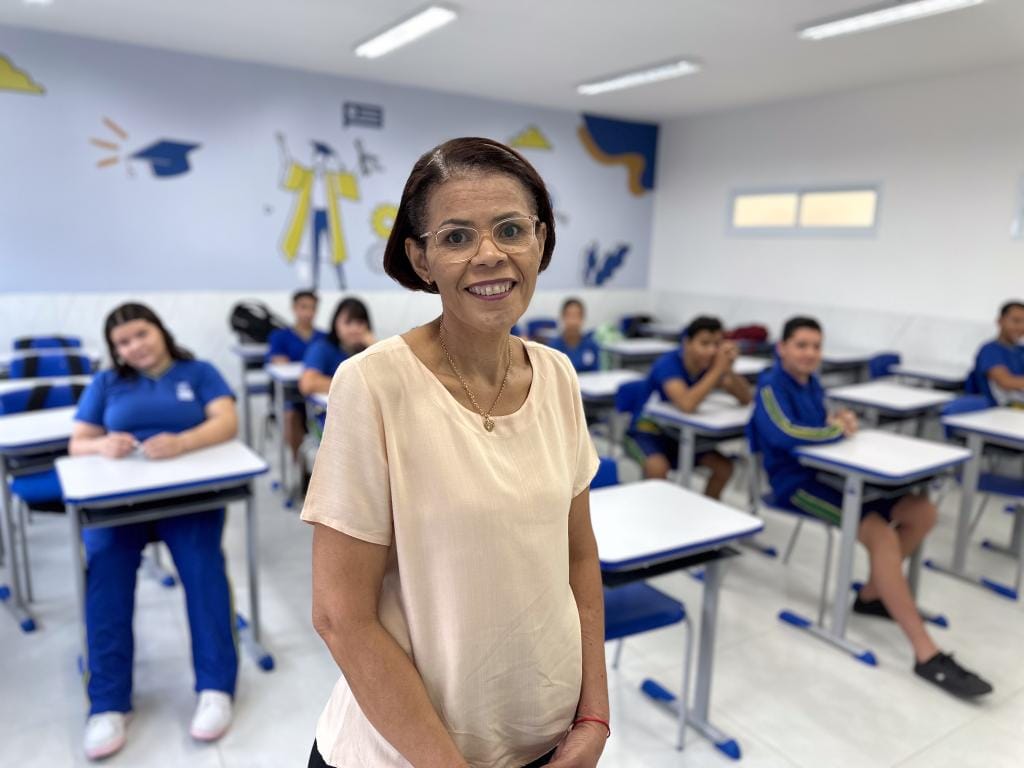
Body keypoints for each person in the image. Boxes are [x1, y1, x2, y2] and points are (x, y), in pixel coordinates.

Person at [302, 137, 608, 768]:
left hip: (542, 741)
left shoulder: (558, 377)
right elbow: (340, 617)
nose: (490, 255)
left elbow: (578, 559)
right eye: (457, 236)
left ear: (541, 242)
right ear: (421, 258)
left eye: (510, 229)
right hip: (411, 753)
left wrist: (594, 716)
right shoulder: (372, 384)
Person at [751, 316, 992, 699]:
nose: (810, 353)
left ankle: (870, 596)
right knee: (880, 533)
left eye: (816, 345)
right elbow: (783, 433)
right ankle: (926, 652)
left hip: (833, 473)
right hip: (795, 484)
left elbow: (815, 423)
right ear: (782, 348)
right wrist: (834, 429)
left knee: (921, 512)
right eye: (801, 345)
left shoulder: (812, 383)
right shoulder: (769, 387)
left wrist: (836, 419)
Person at [69, 303, 240, 760]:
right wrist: (102, 444)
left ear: (160, 331)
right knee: (105, 577)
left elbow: (226, 421)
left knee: (204, 573)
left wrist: (183, 442)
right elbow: (77, 441)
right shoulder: (107, 383)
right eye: (122, 343)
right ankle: (107, 701)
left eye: (140, 334)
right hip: (119, 505)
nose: (134, 347)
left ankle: (215, 688)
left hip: (188, 497)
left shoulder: (199, 371)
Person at [625, 315, 751, 499]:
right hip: (645, 432)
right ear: (687, 343)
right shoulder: (668, 364)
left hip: (681, 436)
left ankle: (706, 515)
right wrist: (717, 370)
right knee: (658, 468)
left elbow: (746, 398)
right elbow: (687, 404)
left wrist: (728, 368)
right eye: (705, 344)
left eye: (717, 345)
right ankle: (656, 519)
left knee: (724, 467)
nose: (711, 351)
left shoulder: (709, 366)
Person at [267, 289, 325, 460]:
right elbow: (279, 362)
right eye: (303, 307)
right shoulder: (279, 336)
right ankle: (297, 465)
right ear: (294, 308)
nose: (308, 313)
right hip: (290, 393)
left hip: (317, 392)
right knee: (291, 415)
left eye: (312, 308)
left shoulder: (324, 337)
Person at [297, 297, 375, 396]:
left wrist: (375, 346)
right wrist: (354, 387)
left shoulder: (369, 351)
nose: (354, 329)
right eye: (348, 322)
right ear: (336, 324)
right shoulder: (321, 348)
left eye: (360, 323)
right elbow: (308, 384)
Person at [967, 300, 1024, 408]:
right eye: (1016, 321)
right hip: (999, 409)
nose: (1021, 327)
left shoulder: (1020, 350)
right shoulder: (990, 350)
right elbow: (1006, 382)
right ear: (1000, 321)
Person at [547, 298, 601, 373]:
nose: (573, 321)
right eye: (569, 316)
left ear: (583, 318)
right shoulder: (553, 348)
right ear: (562, 317)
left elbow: (596, 375)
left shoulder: (592, 346)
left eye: (577, 316)